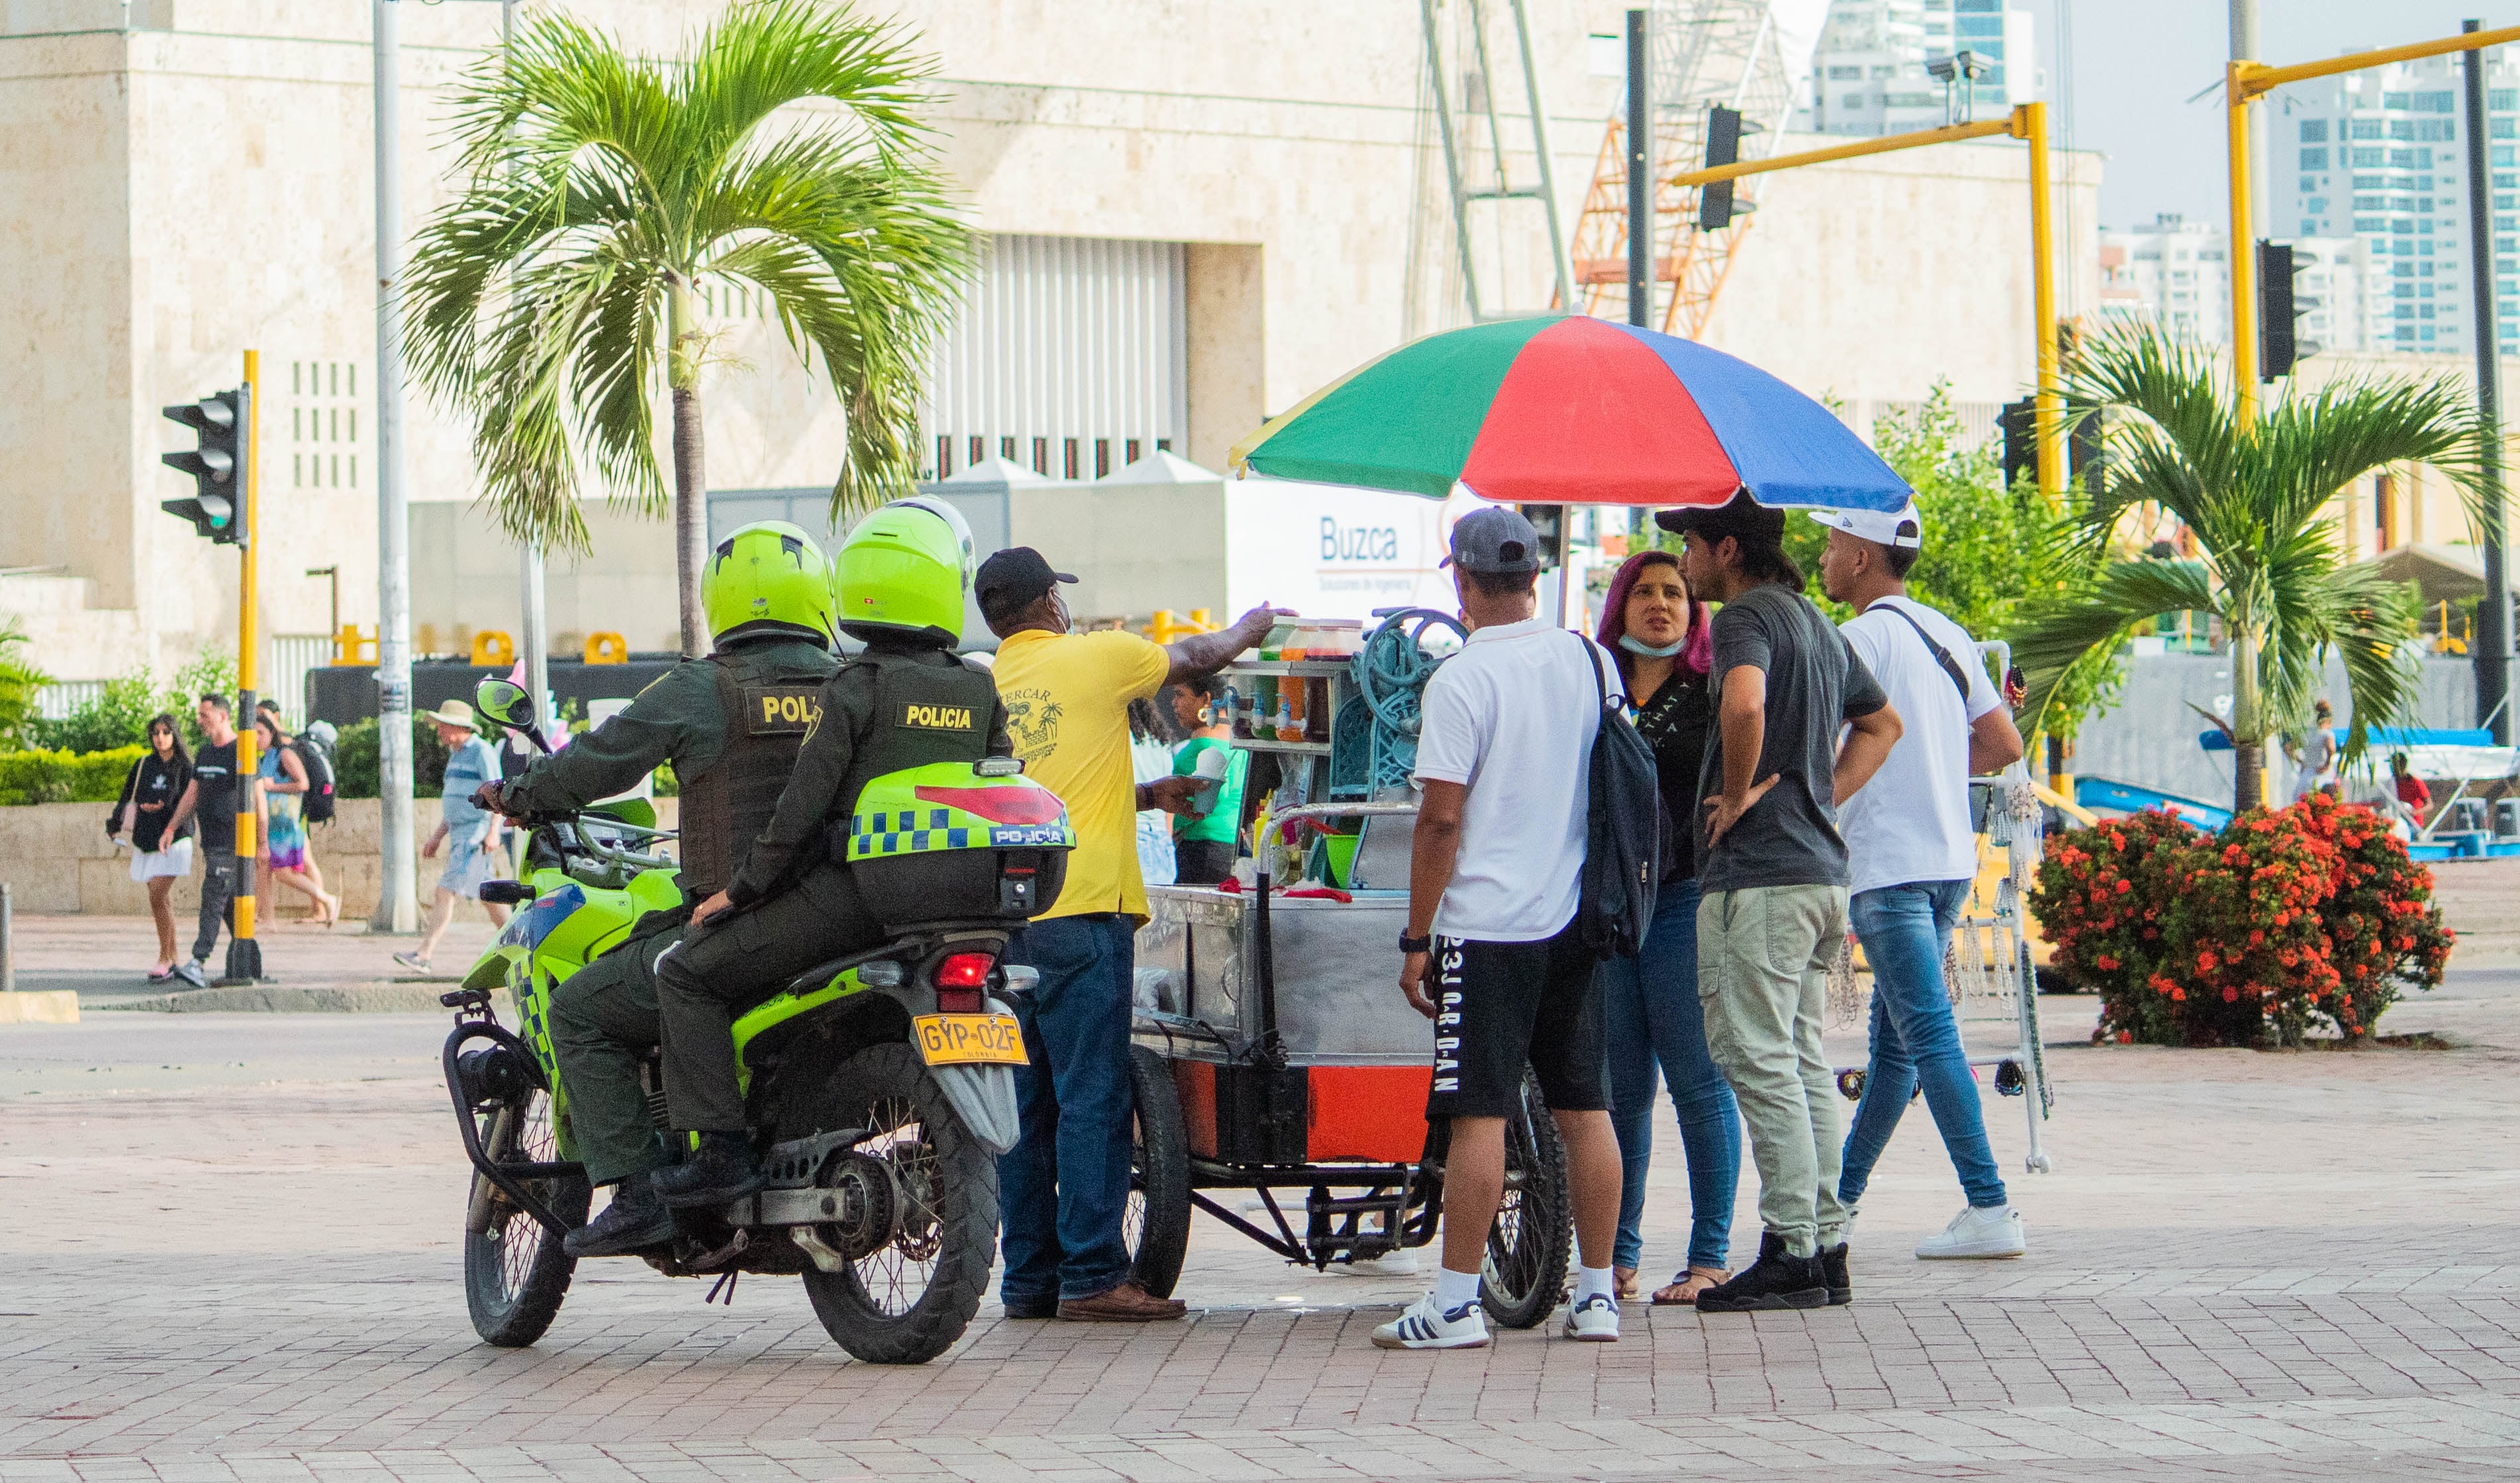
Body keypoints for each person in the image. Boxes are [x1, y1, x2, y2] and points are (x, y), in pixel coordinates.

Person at [474, 520, 844, 1258]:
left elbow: (598, 762)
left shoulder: (703, 688)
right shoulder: (850, 682)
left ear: (723, 599)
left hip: (742, 920)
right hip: (844, 914)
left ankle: (639, 1192)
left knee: (580, 1007)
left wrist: (517, 792)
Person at [648, 501, 1012, 1210]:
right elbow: (1001, 775)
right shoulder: (977, 684)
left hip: (851, 899)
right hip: (953, 907)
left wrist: (739, 891)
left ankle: (720, 1154)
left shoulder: (859, 685)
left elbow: (801, 811)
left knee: (685, 974)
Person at [981, 548, 1282, 1323]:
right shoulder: (1095, 657)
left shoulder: (984, 682)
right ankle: (1091, 1274)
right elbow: (1199, 655)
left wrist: (1146, 795)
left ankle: (1028, 1280)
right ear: (1051, 602)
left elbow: (1052, 788)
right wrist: (1254, 624)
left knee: (1025, 1105)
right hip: (1081, 914)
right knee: (1092, 1097)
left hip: (1002, 926)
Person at [1371, 507, 1627, 1351]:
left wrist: (1416, 939)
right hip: (1576, 919)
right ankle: (1596, 1295)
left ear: (1461, 580)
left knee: (1476, 1112)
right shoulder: (1590, 659)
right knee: (1583, 1108)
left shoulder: (1461, 680)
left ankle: (1451, 1305)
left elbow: (1439, 820)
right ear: (1532, 575)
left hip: (1486, 925)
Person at [1659, 492, 1901, 1314]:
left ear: (1726, 547)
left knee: (1756, 1059)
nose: (1682, 563)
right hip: (1817, 874)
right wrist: (1816, 796)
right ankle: (1824, 1245)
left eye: (1689, 546)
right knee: (1798, 1061)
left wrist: (1735, 796)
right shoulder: (1815, 621)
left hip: (1759, 878)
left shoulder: (1744, 618)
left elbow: (1744, 701)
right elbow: (1881, 725)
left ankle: (1789, 1246)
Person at [1812, 503, 2029, 1262]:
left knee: (1928, 1035)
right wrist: (1933, 767)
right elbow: (2001, 742)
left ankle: (1989, 1204)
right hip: (1945, 864)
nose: (1824, 556)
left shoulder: (1852, 640)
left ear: (1863, 559)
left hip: (1889, 868)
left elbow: (1822, 752)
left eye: (1833, 543)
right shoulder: (1948, 632)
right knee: (1897, 1048)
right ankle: (1837, 1203)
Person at [1589, 549, 1741, 1308]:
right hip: (1608, 911)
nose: (1660, 603)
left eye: (1674, 592)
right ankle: (1615, 1258)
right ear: (1619, 603)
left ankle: (1709, 1255)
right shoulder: (1591, 687)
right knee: (1619, 1093)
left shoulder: (1712, 689)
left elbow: (1772, 757)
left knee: (1698, 1084)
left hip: (1683, 900)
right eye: (1644, 591)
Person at [392, 700, 510, 974]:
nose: (439, 732)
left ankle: (424, 954)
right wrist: (436, 837)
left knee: (444, 891)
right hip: (460, 833)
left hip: (475, 835)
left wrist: (493, 830)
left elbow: (498, 792)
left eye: (442, 726)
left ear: (458, 727)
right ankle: (522, 944)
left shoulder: (482, 752)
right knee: (489, 896)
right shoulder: (456, 755)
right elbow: (455, 803)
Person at [162, 694, 250, 988]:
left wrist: (261, 842)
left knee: (213, 898)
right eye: (199, 715)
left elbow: (257, 797)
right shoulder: (205, 753)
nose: (200, 721)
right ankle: (250, 963)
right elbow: (192, 793)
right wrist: (172, 827)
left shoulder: (242, 750)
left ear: (223, 716)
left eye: (205, 715)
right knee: (226, 906)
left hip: (233, 842)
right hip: (212, 843)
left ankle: (198, 962)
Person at [108, 713, 195, 981]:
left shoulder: (184, 766)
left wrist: (164, 807)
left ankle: (164, 957)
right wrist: (115, 820)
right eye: (156, 733)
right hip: (147, 836)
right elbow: (127, 795)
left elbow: (187, 801)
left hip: (174, 837)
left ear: (175, 735)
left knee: (157, 894)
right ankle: (172, 958)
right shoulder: (144, 764)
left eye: (166, 732)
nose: (160, 738)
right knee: (161, 902)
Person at [253, 709, 340, 927]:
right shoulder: (265, 758)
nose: (256, 738)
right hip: (269, 823)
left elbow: (303, 784)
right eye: (253, 733)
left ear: (271, 733)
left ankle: (326, 898)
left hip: (286, 824)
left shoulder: (285, 755)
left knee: (283, 873)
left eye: (260, 732)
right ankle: (268, 919)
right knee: (263, 872)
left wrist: (274, 787)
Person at [1167, 675, 1247, 886]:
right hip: (1230, 849)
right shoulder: (1237, 746)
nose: (1173, 703)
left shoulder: (1200, 749)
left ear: (1206, 699)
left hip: (1200, 851)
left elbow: (1207, 799)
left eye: (1180, 694)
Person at [2290, 699, 2339, 802]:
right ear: (2328, 721)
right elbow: (2331, 749)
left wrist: (2301, 762)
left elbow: (2288, 748)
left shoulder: (2306, 733)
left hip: (2306, 776)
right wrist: (2327, 764)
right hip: (2323, 777)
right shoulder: (2327, 734)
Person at [2391, 751, 2433, 832]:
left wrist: (2415, 812)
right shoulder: (2393, 781)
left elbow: (2430, 805)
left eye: (2394, 765)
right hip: (2398, 821)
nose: (2392, 767)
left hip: (2414, 824)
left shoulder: (2415, 781)